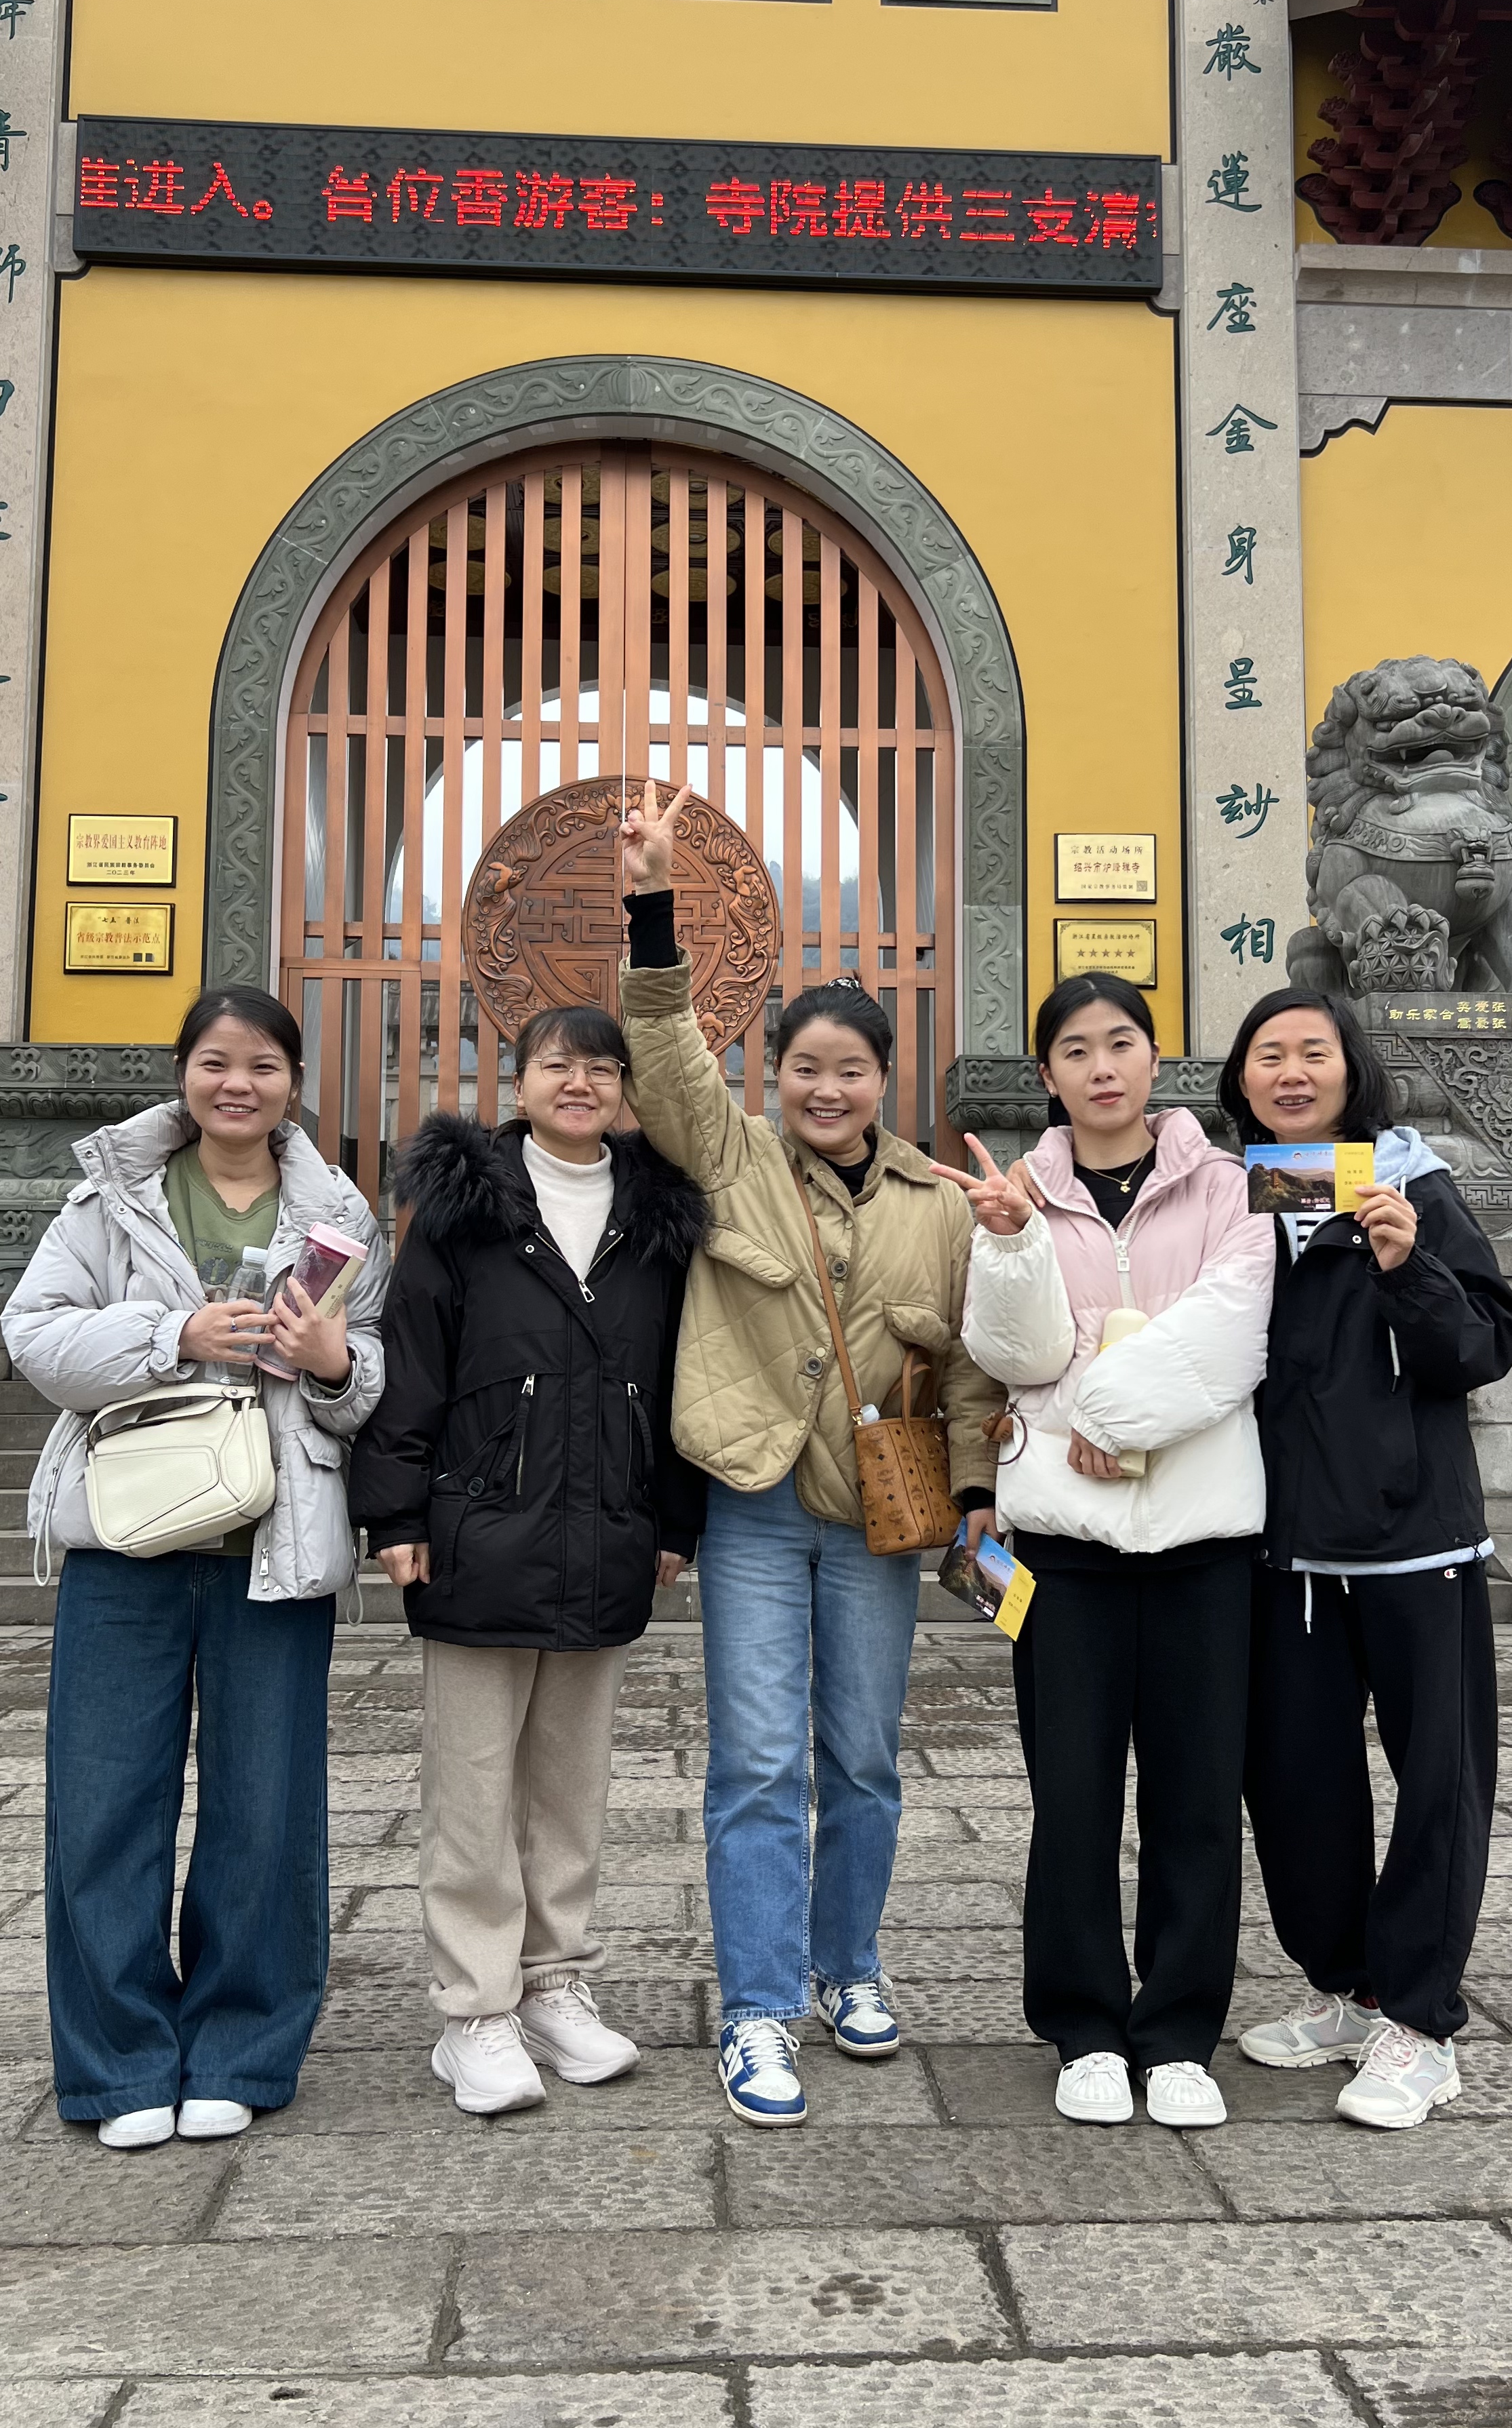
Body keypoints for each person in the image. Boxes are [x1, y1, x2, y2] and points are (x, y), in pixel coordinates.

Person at [617, 781, 1002, 2128]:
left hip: (880, 1514)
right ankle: (758, 2004)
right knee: (757, 1763)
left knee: (866, 1759)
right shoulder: (729, 1159)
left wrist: (974, 1493)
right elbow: (666, 1055)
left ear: (885, 1081)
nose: (827, 1089)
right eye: (804, 1068)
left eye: (851, 1071)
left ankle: (849, 1966)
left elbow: (966, 1362)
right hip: (756, 1502)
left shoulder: (939, 1203)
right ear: (773, 1074)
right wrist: (653, 909)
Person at [3, 985, 387, 2152]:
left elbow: (370, 1379)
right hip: (130, 1539)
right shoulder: (109, 1195)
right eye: (217, 1061)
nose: (238, 1084)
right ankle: (119, 2062)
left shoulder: (338, 1212)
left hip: (274, 1544)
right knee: (103, 1804)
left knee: (265, 1811)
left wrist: (334, 1363)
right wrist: (172, 1335)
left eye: (263, 1066)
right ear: (183, 1073)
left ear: (293, 1086)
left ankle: (241, 2047)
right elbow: (34, 1334)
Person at [347, 1004, 707, 2117]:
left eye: (602, 1068)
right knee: (470, 1788)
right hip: (478, 1530)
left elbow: (681, 1375)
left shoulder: (657, 1213)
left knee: (569, 1785)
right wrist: (395, 1515)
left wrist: (674, 1521)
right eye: (560, 1065)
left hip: (607, 1533)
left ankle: (554, 1984)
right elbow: (412, 1359)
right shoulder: (462, 1207)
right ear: (520, 1083)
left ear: (626, 1090)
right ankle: (474, 2010)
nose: (581, 1083)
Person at [937, 974, 1274, 2130]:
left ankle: (1178, 2033)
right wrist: (1013, 1244)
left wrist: (1104, 1412)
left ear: (1155, 1057)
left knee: (1197, 1798)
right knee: (1071, 1797)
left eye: (1120, 1042)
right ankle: (1084, 2027)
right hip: (1066, 1548)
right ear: (1048, 1074)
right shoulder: (1017, 1191)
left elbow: (1232, 1330)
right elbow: (1017, 1355)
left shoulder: (1230, 1184)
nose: (1101, 1067)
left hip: (1203, 1541)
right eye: (1075, 1050)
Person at [1219, 988, 1512, 2127]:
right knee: (1294, 1785)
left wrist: (1408, 1267)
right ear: (1242, 1080)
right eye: (1269, 1055)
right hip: (1284, 1551)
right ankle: (1351, 1990)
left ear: (1352, 1068)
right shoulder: (1238, 1193)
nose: (1291, 1072)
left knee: (1439, 1782)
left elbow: (1485, 1344)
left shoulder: (1411, 1182)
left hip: (1415, 1543)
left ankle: (1421, 2023)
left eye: (1314, 1052)